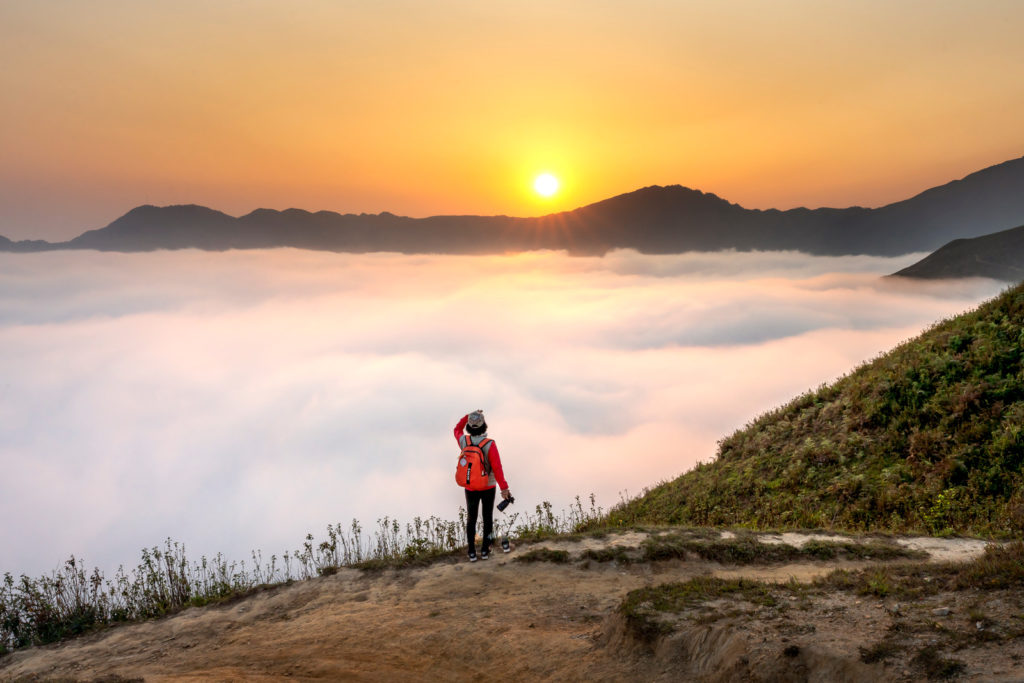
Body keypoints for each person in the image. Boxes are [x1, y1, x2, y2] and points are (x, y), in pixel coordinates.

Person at [454, 410, 511, 562]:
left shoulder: (464, 441)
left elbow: (456, 430)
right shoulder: (489, 444)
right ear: (484, 425)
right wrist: (504, 489)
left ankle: (471, 552)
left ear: (469, 426)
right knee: (487, 518)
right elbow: (497, 468)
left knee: (471, 518)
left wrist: (467, 416)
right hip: (487, 486)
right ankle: (485, 550)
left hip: (470, 486)